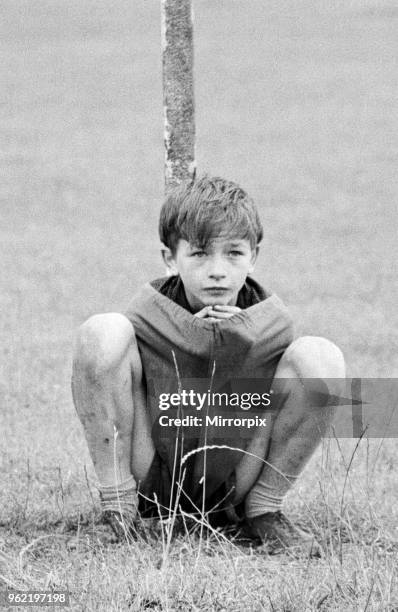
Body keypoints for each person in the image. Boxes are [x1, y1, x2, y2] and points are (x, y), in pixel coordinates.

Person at [71, 176, 345, 556]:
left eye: (233, 253)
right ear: (170, 258)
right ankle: (118, 508)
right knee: (100, 331)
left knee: (322, 357)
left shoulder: (271, 321)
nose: (217, 271)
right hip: (155, 466)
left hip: (237, 473)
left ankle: (264, 509)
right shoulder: (147, 312)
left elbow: (255, 406)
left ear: (255, 257)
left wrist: (237, 339)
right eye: (199, 253)